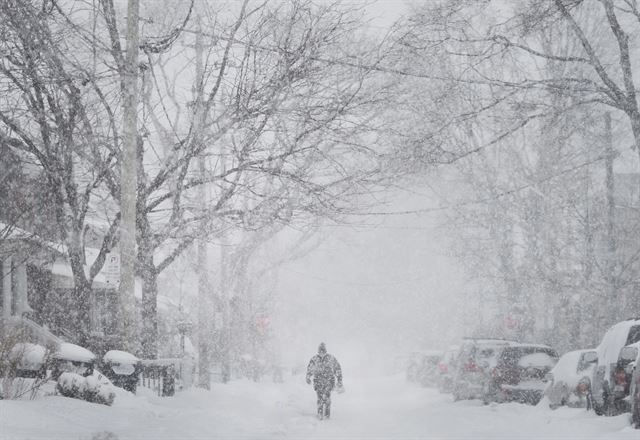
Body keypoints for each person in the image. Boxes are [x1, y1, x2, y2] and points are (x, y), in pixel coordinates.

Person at [306, 342, 343, 420]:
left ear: (325, 351)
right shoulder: (314, 359)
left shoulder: (331, 358)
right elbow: (310, 369)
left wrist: (339, 380)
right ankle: (320, 413)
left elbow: (337, 369)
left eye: (323, 351)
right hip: (318, 382)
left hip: (329, 381)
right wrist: (308, 377)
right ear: (318, 351)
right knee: (319, 398)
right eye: (320, 351)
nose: (321, 352)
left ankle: (327, 414)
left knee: (327, 398)